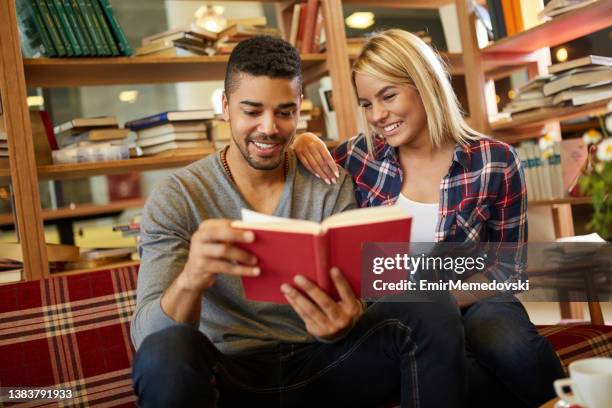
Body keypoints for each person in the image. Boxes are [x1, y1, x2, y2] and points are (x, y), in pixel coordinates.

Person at [130, 35, 465, 408]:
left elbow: (366, 294)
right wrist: (192, 276)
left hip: (323, 364)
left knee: (429, 305)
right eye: (252, 111)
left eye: (284, 112)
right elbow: (147, 338)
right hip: (230, 376)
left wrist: (349, 318)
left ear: (299, 108)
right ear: (225, 106)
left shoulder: (328, 181)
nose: (269, 128)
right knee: (165, 349)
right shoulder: (177, 196)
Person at [293, 29, 565, 408]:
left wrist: (438, 304)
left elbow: (508, 269)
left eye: (388, 96)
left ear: (425, 85)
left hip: (472, 299)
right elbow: (290, 164)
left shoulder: (496, 161)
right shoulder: (357, 157)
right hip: (391, 315)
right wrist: (302, 140)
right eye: (367, 104)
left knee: (505, 341)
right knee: (460, 371)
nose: (378, 116)